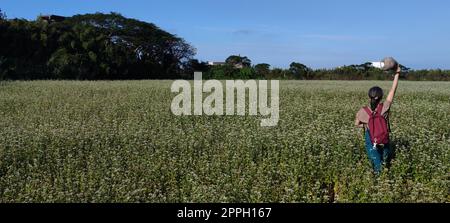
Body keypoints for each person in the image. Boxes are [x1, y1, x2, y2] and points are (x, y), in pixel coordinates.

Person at [355, 65, 401, 174]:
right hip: (383, 137)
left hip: (371, 138)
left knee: (377, 163)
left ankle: (378, 180)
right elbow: (392, 91)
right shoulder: (384, 108)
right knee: (385, 159)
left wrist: (366, 126)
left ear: (369, 97)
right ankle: (385, 177)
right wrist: (397, 74)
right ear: (381, 97)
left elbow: (356, 124)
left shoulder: (362, 111)